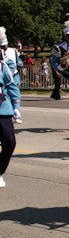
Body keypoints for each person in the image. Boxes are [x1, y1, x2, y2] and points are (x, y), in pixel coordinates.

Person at [0, 48, 19, 188]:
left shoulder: (3, 62)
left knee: (9, 142)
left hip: (3, 108)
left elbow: (11, 84)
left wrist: (16, 105)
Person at [0, 27, 23, 124]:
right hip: (2, 78)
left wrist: (20, 64)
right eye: (2, 46)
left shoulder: (13, 51)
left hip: (13, 77)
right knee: (5, 96)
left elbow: (18, 62)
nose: (4, 48)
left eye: (5, 46)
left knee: (15, 93)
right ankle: (9, 114)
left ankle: (16, 111)